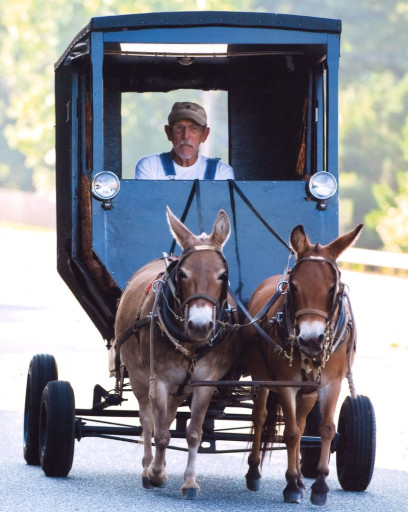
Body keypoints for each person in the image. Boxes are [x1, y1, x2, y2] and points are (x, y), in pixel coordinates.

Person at [135, 101, 234, 180]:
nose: (186, 136)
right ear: (169, 132)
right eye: (179, 128)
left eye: (193, 128)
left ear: (205, 135)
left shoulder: (220, 172)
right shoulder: (150, 166)